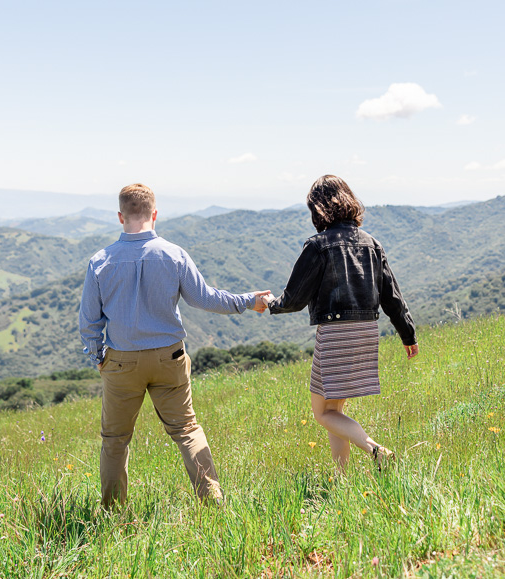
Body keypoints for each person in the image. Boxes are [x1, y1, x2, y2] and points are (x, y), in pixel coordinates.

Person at [80, 183, 270, 508]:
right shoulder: (174, 254)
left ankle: (113, 512)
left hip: (121, 362)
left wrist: (98, 356)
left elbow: (89, 322)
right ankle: (213, 501)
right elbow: (205, 298)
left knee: (115, 440)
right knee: (186, 429)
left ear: (120, 216)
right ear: (154, 214)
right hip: (170, 357)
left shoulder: (100, 262)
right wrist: (247, 302)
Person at [260, 175, 418, 472]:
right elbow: (392, 295)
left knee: (321, 413)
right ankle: (342, 478)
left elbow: (294, 298)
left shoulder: (318, 246)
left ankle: (376, 450)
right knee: (334, 409)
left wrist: (270, 304)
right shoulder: (372, 244)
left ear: (318, 209)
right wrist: (408, 334)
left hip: (335, 333)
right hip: (367, 330)